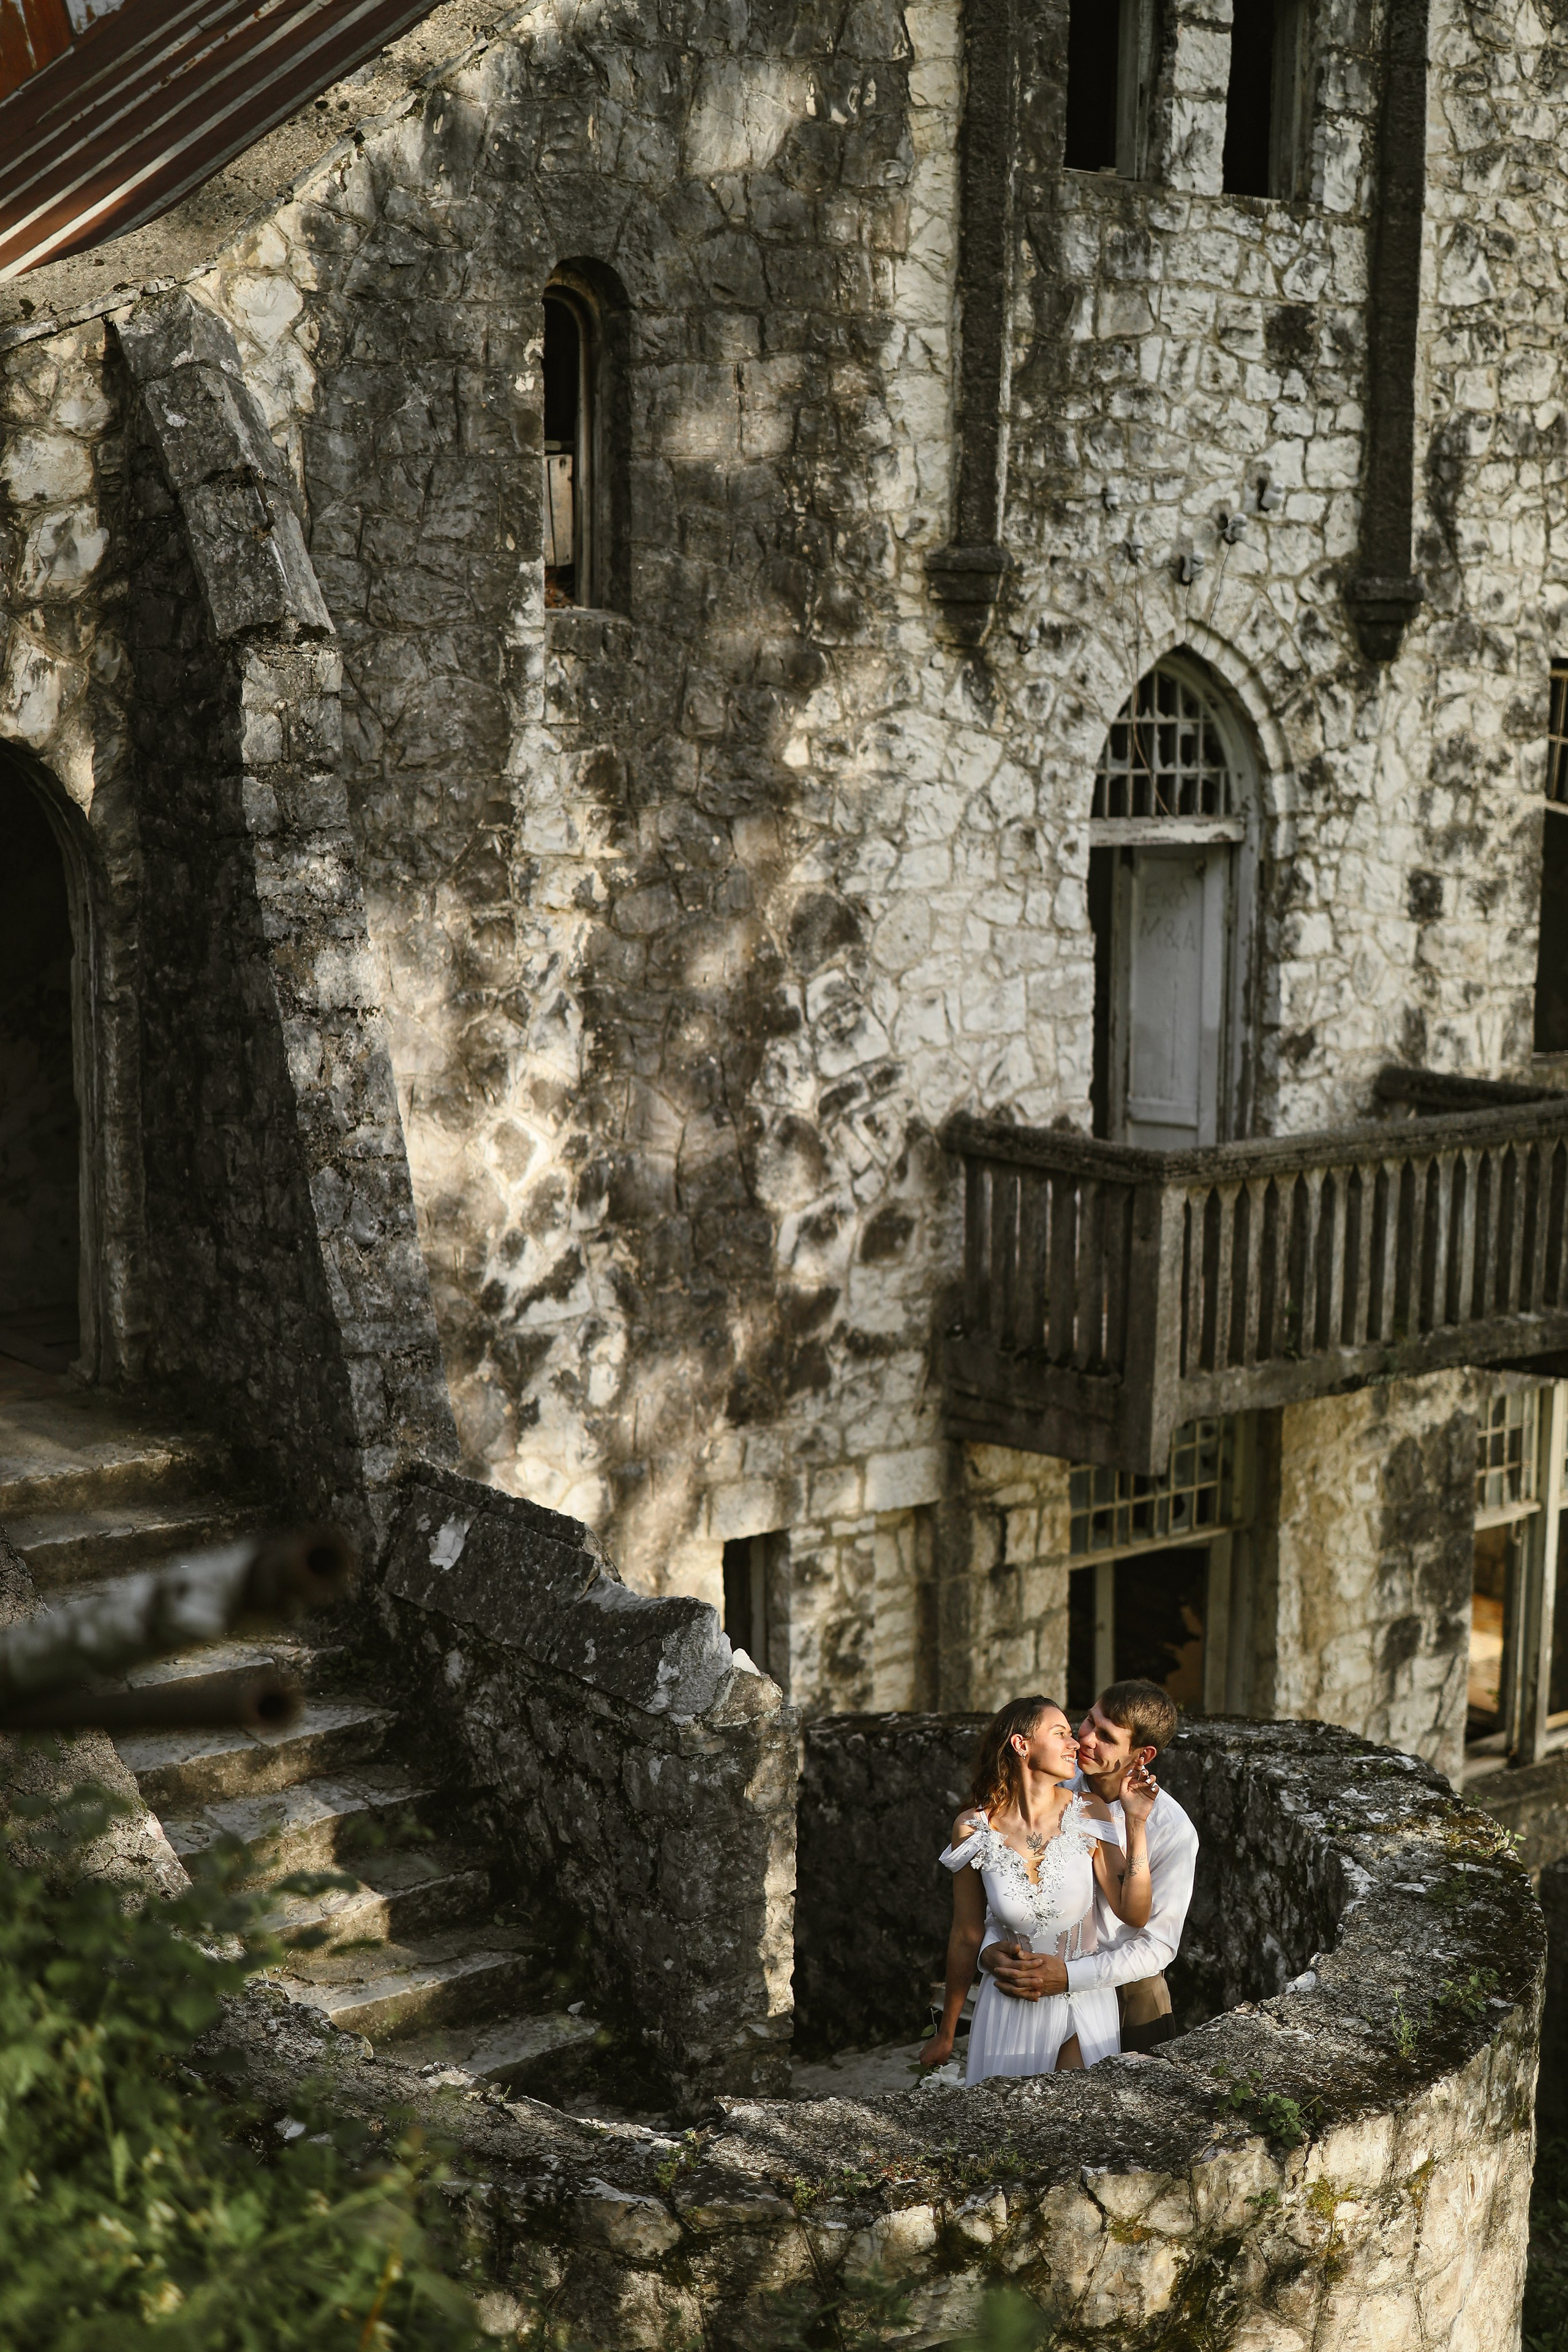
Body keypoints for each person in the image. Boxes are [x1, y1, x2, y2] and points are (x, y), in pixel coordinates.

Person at [919, 1694, 1155, 2086]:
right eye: (1061, 1733)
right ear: (1021, 1744)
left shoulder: (1089, 1811)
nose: (1075, 1743)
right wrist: (946, 2033)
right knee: (1006, 2140)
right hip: (1007, 2009)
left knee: (1074, 2121)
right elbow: (966, 1934)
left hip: (1080, 2004)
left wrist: (1136, 1823)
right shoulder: (971, 1829)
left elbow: (1135, 1913)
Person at [976, 1679, 1197, 2054]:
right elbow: (1009, 1874)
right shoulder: (1053, 1781)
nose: (1086, 1739)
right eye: (1089, 1721)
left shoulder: (1174, 1831)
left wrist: (1068, 1977)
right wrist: (990, 1947)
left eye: (1107, 1736)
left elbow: (1157, 1945)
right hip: (1034, 1980)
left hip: (1130, 1990)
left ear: (1142, 1756)